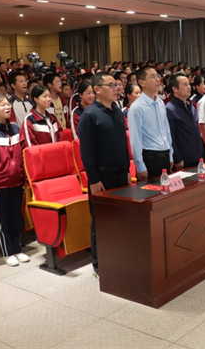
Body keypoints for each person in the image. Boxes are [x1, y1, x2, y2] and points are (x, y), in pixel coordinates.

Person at [78, 72, 130, 278]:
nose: (116, 88)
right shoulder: (89, 115)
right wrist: (93, 179)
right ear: (97, 89)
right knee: (101, 221)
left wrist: (127, 171)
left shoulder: (116, 111)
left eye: (117, 84)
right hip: (102, 176)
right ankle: (99, 265)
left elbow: (123, 144)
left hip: (121, 174)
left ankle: (119, 257)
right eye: (111, 85)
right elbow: (86, 152)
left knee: (120, 218)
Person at [0, 94, 29, 267]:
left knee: (17, 218)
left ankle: (17, 249)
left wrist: (25, 179)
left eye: (8, 104)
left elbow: (24, 154)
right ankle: (7, 252)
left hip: (17, 182)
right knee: (3, 221)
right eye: (3, 105)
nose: (7, 107)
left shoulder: (15, 128)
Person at [128, 66, 173, 180]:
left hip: (165, 155)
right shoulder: (137, 107)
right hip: (150, 157)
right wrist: (140, 165)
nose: (158, 79)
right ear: (142, 82)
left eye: (158, 76)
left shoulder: (160, 103)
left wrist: (171, 155)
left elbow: (166, 131)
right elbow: (135, 139)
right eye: (153, 77)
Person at [166, 74, 203, 170]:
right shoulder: (170, 108)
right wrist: (177, 158)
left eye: (189, 84)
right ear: (175, 89)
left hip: (197, 155)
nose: (189, 87)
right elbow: (170, 137)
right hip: (184, 158)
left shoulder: (190, 104)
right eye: (185, 84)